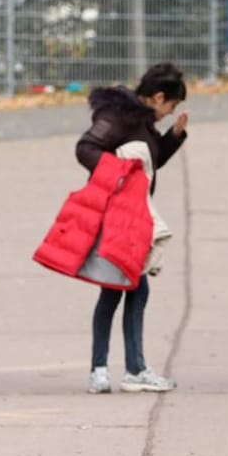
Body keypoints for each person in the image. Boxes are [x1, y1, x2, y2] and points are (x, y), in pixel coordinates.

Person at [76, 62, 188, 394]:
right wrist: (120, 174)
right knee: (119, 289)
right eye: (171, 105)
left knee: (127, 288)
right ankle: (117, 369)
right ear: (157, 97)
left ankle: (121, 368)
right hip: (118, 216)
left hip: (135, 215)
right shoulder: (122, 116)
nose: (170, 112)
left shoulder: (144, 122)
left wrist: (174, 137)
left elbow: (151, 162)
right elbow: (86, 148)